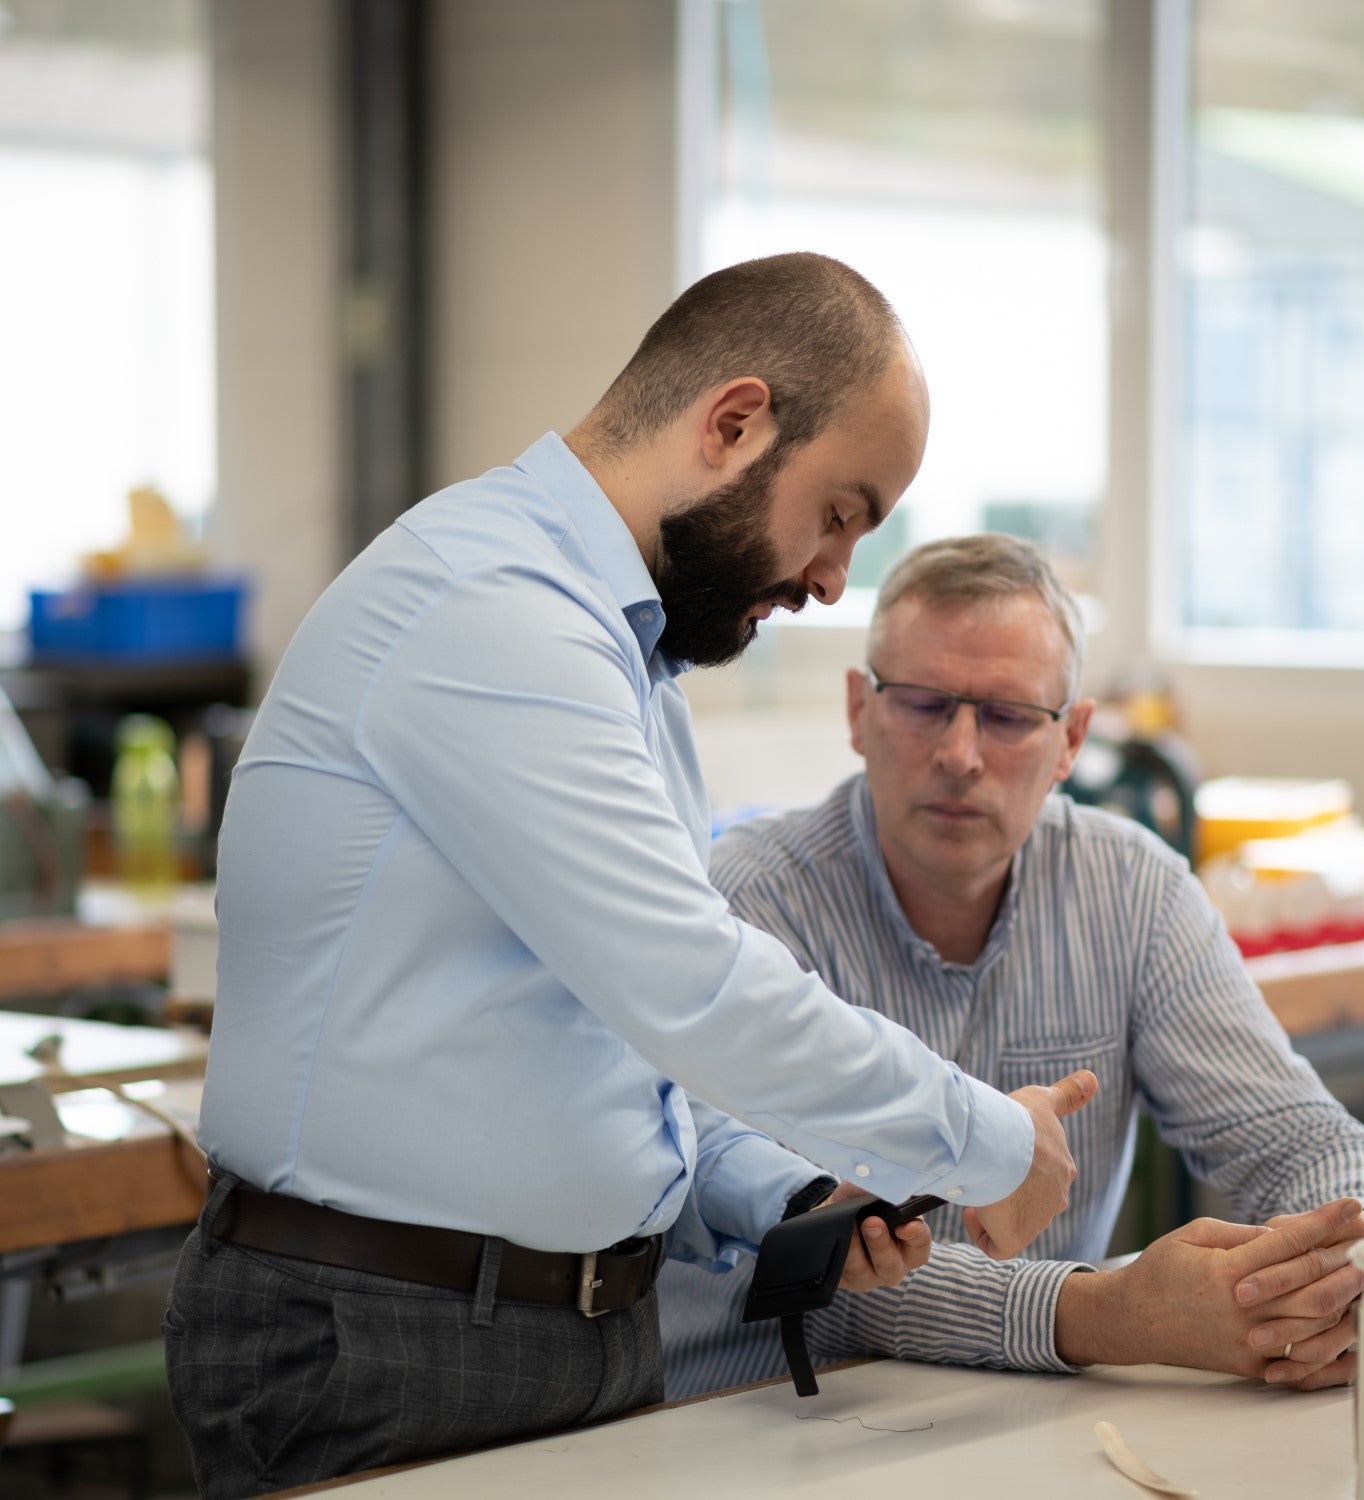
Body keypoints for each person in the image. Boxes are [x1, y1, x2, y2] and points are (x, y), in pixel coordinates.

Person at [166, 255, 1097, 1499]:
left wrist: (787, 1195)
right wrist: (992, 1140)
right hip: (387, 1336)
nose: (832, 576)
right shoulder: (493, 607)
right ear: (734, 424)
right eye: (838, 513)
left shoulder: (623, 653)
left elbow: (612, 1043)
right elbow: (693, 987)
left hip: (557, 1330)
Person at [659, 532, 1364, 1400]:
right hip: (763, 1417)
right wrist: (1111, 1314)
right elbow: (824, 1268)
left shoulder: (1132, 890)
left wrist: (1355, 1268)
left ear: (1073, 740)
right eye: (922, 704)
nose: (960, 754)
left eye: (1008, 716)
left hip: (1035, 1414)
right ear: (857, 711)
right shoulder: (749, 901)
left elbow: (1297, 1137)